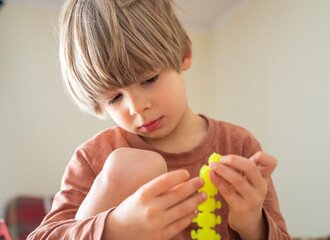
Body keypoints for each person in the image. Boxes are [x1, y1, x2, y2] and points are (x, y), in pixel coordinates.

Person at [28, 0, 292, 239]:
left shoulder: (239, 146)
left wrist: (253, 224)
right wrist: (116, 228)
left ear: (184, 53)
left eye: (149, 79)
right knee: (124, 167)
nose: (137, 107)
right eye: (114, 98)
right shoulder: (93, 157)